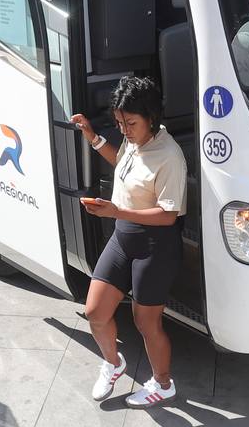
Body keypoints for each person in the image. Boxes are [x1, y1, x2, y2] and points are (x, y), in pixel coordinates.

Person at [70, 75, 186, 408]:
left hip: (155, 245)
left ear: (151, 117)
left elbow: (168, 215)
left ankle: (163, 385)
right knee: (95, 311)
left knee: (146, 322)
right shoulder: (133, 141)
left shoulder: (170, 156)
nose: (124, 130)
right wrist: (93, 137)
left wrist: (116, 210)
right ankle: (113, 363)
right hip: (123, 236)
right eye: (120, 122)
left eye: (130, 123)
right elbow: (123, 162)